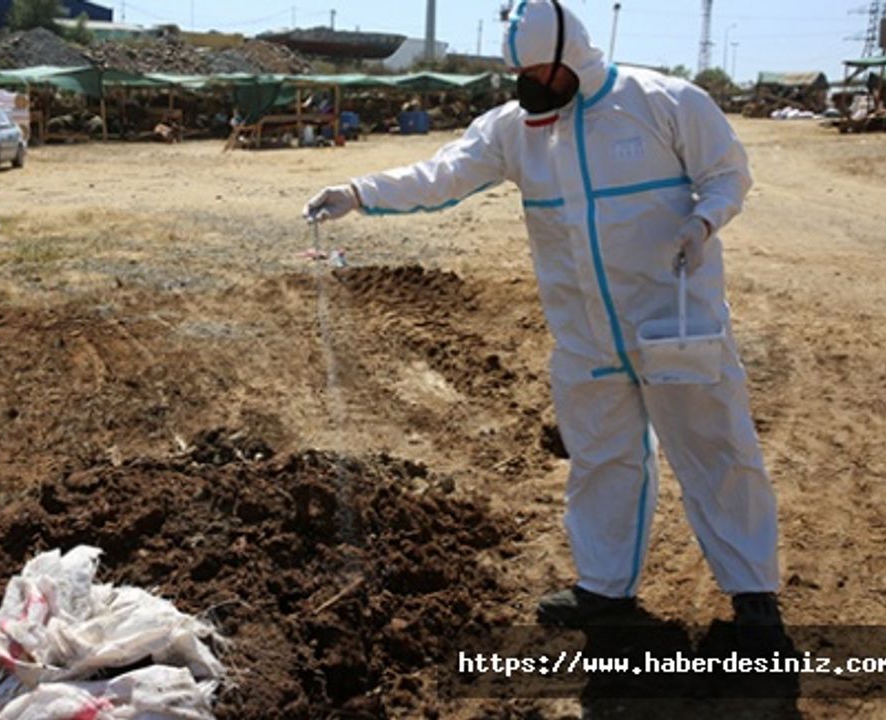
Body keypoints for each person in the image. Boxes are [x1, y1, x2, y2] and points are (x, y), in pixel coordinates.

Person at [304, 0, 781, 631]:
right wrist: (359, 193)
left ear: (575, 60)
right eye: (520, 73)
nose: (530, 86)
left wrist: (703, 219)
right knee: (601, 459)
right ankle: (606, 591)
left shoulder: (664, 102)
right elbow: (439, 174)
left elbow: (727, 174)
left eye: (542, 73)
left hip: (673, 319)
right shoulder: (513, 130)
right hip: (585, 335)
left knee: (716, 452)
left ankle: (754, 601)